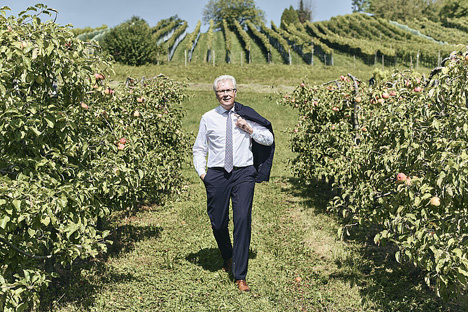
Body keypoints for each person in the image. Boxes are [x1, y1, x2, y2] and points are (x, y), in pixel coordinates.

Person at [193, 75, 275, 292]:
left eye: (229, 90)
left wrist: (250, 129)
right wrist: (204, 174)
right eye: (221, 91)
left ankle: (240, 275)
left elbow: (269, 139)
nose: (226, 94)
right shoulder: (208, 118)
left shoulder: (246, 114)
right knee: (218, 222)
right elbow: (199, 149)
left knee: (242, 219)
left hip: (243, 174)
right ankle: (228, 256)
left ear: (236, 92)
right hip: (218, 174)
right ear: (216, 94)